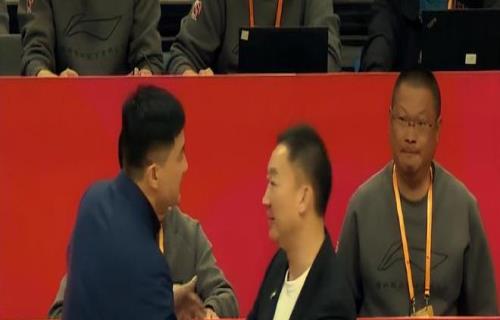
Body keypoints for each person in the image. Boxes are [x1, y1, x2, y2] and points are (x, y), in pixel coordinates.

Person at [34, 86, 209, 320]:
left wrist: (162, 300)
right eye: (181, 155)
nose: (187, 166)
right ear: (155, 174)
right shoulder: (147, 266)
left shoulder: (93, 202)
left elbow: (108, 296)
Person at [175, 125, 356, 320]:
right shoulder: (278, 267)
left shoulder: (334, 298)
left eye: (273, 183)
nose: (264, 199)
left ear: (303, 197)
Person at [337, 69, 498, 317]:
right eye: (402, 120)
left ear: (438, 129)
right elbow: (338, 314)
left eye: (421, 123)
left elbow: (485, 316)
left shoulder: (463, 207)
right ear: (389, 121)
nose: (410, 136)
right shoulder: (362, 206)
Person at [48, 205, 240, 319]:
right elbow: (59, 314)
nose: (185, 167)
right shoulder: (104, 233)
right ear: (153, 175)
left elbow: (226, 296)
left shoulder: (189, 232)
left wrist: (210, 311)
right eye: (178, 159)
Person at [166, 0, 342, 75]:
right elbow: (183, 56)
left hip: (298, 110)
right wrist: (190, 75)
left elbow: (329, 59)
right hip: (231, 111)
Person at [21, 0, 164, 76]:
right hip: (60, 102)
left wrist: (144, 74)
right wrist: (48, 79)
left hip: (127, 107)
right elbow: (35, 54)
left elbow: (149, 57)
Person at [360, 0, 500, 72]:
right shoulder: (393, 4)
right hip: (411, 98)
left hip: (470, 93)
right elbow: (381, 41)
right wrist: (376, 76)